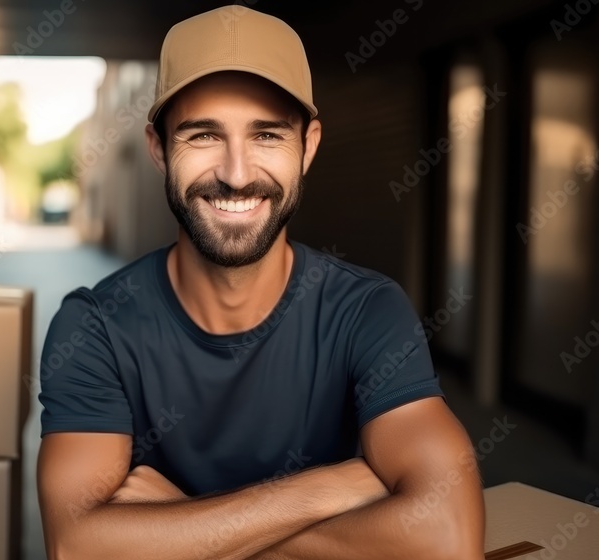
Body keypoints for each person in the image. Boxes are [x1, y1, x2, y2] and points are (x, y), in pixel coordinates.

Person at [36, 5, 485, 559]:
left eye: (268, 135)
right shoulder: (94, 328)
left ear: (309, 147)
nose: (237, 173)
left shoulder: (367, 311)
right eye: (203, 135)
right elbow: (78, 547)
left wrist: (176, 528)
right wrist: (334, 488)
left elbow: (448, 538)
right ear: (157, 148)